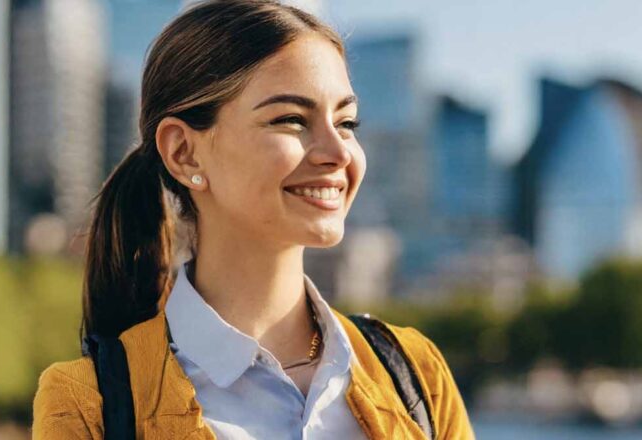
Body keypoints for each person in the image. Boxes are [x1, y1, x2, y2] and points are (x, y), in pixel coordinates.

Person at [32, 0, 475, 438]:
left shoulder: (416, 375)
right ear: (184, 153)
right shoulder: (90, 404)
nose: (339, 152)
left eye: (347, 122)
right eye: (291, 120)